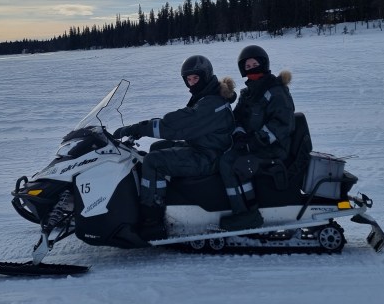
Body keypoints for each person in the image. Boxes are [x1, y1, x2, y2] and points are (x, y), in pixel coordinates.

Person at [113, 55, 236, 240]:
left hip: (209, 157)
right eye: (188, 79)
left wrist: (138, 128)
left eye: (196, 78)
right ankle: (167, 198)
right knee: (157, 147)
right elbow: (182, 123)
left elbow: (176, 126)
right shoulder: (208, 96)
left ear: (206, 76)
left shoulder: (211, 104)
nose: (192, 83)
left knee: (153, 162)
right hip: (206, 146)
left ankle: (152, 221)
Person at [218, 45, 295, 231]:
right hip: (254, 144)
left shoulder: (275, 90)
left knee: (229, 162)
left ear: (264, 64)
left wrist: (253, 142)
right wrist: (239, 134)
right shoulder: (248, 93)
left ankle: (246, 212)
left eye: (255, 64)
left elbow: (283, 124)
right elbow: (238, 118)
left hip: (273, 148)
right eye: (248, 66)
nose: (251, 68)